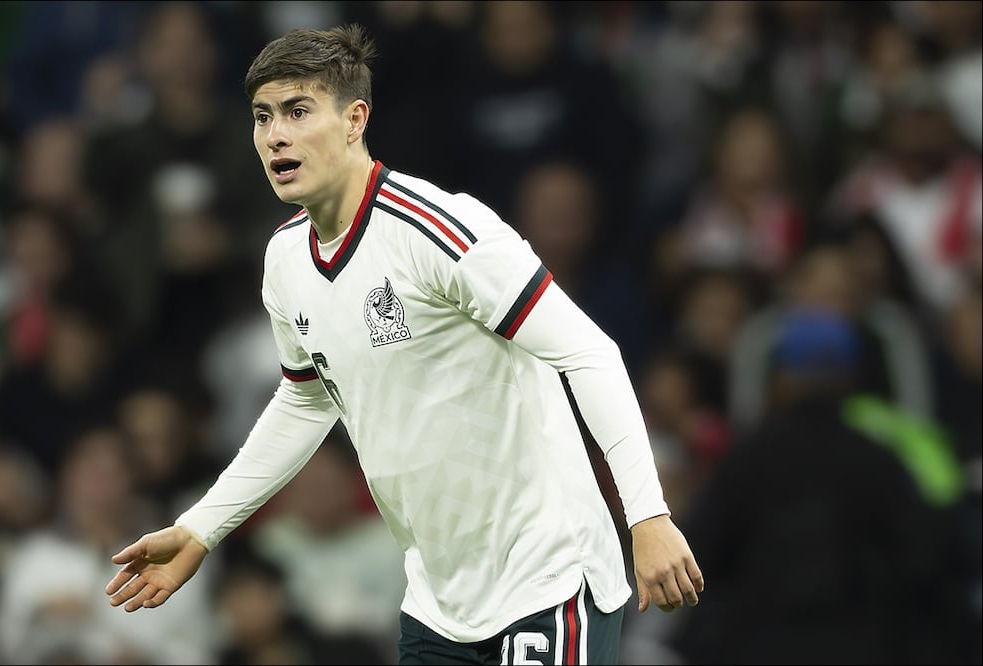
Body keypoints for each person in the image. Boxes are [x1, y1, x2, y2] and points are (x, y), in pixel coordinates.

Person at [104, 24, 703, 665]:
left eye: (298, 111)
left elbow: (590, 353)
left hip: (548, 581)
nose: (275, 134)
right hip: (438, 605)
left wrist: (647, 516)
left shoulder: (440, 230)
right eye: (262, 116)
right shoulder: (285, 260)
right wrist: (201, 526)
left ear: (355, 119)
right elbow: (307, 400)